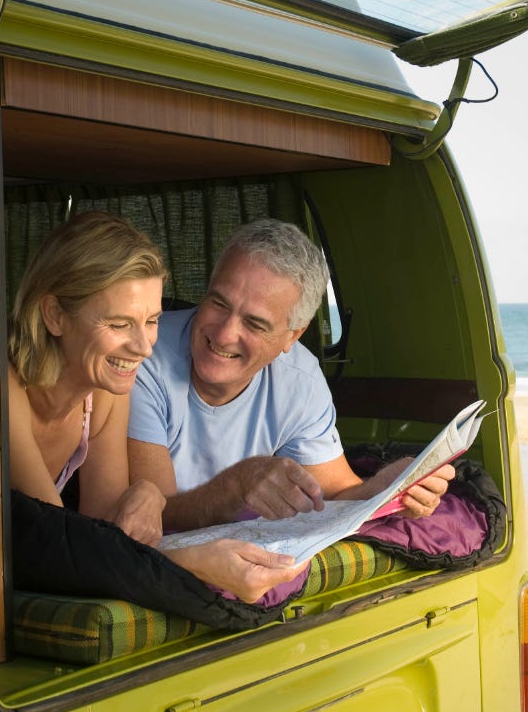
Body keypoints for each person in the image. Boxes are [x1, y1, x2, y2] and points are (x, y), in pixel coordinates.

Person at [7, 211, 304, 603]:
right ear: (55, 315)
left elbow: (103, 527)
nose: (145, 347)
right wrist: (190, 561)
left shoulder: (105, 394)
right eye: (118, 324)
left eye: (151, 321)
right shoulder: (1, 385)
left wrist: (148, 492)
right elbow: (61, 544)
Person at [127, 218, 452, 531]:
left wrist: (385, 488)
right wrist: (238, 483)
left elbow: (336, 495)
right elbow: (156, 516)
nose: (225, 334)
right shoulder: (142, 354)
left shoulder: (301, 380)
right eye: (219, 304)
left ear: (291, 336)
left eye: (254, 323)